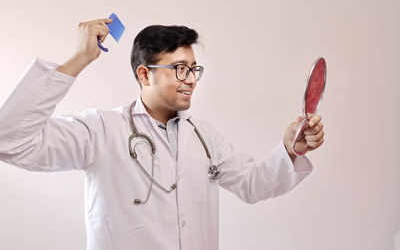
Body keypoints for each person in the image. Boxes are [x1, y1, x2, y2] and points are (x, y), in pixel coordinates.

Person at [0, 18, 325, 250]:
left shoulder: (203, 137)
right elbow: (10, 139)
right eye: (180, 69)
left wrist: (290, 149)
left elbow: (255, 185)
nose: (191, 79)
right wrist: (79, 58)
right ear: (145, 74)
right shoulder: (101, 130)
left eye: (194, 69)